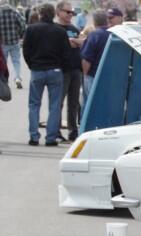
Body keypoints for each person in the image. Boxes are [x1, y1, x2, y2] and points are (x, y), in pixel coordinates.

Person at [22, 3, 70, 146]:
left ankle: (34, 136)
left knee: (34, 104)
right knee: (55, 105)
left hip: (37, 69)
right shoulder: (60, 31)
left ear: (40, 14)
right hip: (55, 70)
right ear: (54, 14)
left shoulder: (31, 29)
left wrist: (32, 65)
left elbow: (26, 50)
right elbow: (66, 52)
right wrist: (61, 67)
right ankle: (50, 137)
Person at [56, 0, 82, 142]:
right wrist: (72, 42)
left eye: (72, 12)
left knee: (73, 103)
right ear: (58, 12)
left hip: (76, 70)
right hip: (61, 70)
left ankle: (73, 131)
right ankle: (56, 130)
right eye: (67, 12)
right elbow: (63, 46)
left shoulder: (74, 28)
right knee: (58, 102)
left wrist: (75, 41)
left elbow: (82, 43)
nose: (70, 14)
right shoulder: (55, 28)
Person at [80, 10, 108, 103]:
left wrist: (85, 75)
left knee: (90, 104)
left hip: (93, 76)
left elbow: (87, 59)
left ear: (94, 21)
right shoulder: (113, 34)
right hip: (109, 77)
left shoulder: (94, 35)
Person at [0, 0, 26, 89]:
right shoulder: (15, 12)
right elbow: (23, 24)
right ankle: (17, 78)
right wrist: (19, 33)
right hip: (15, 41)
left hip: (3, 42)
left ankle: (4, 80)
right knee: (16, 61)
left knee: (3, 62)